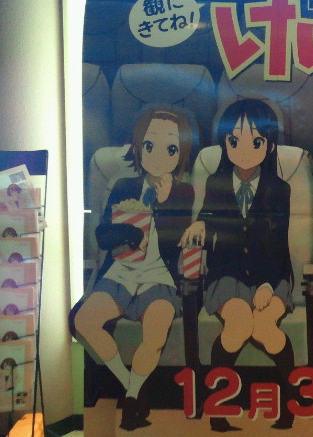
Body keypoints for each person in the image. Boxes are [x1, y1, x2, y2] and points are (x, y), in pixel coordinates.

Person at [72, 108, 194, 431]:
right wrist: (130, 233)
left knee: (156, 329)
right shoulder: (124, 186)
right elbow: (102, 235)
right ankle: (131, 389)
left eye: (170, 148)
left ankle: (130, 399)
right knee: (84, 321)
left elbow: (175, 246)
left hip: (158, 275)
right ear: (138, 148)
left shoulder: (184, 192)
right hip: (121, 271)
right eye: (149, 146)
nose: (158, 156)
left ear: (181, 154)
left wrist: (165, 204)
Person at [181, 98, 295, 432]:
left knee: (264, 328)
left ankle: (290, 406)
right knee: (239, 322)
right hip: (227, 275)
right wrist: (200, 223)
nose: (244, 151)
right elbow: (208, 215)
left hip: (273, 275)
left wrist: (267, 284)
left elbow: (278, 242)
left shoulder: (279, 189)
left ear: (269, 146)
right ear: (225, 144)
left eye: (255, 142)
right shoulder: (215, 183)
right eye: (235, 141)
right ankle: (218, 412)